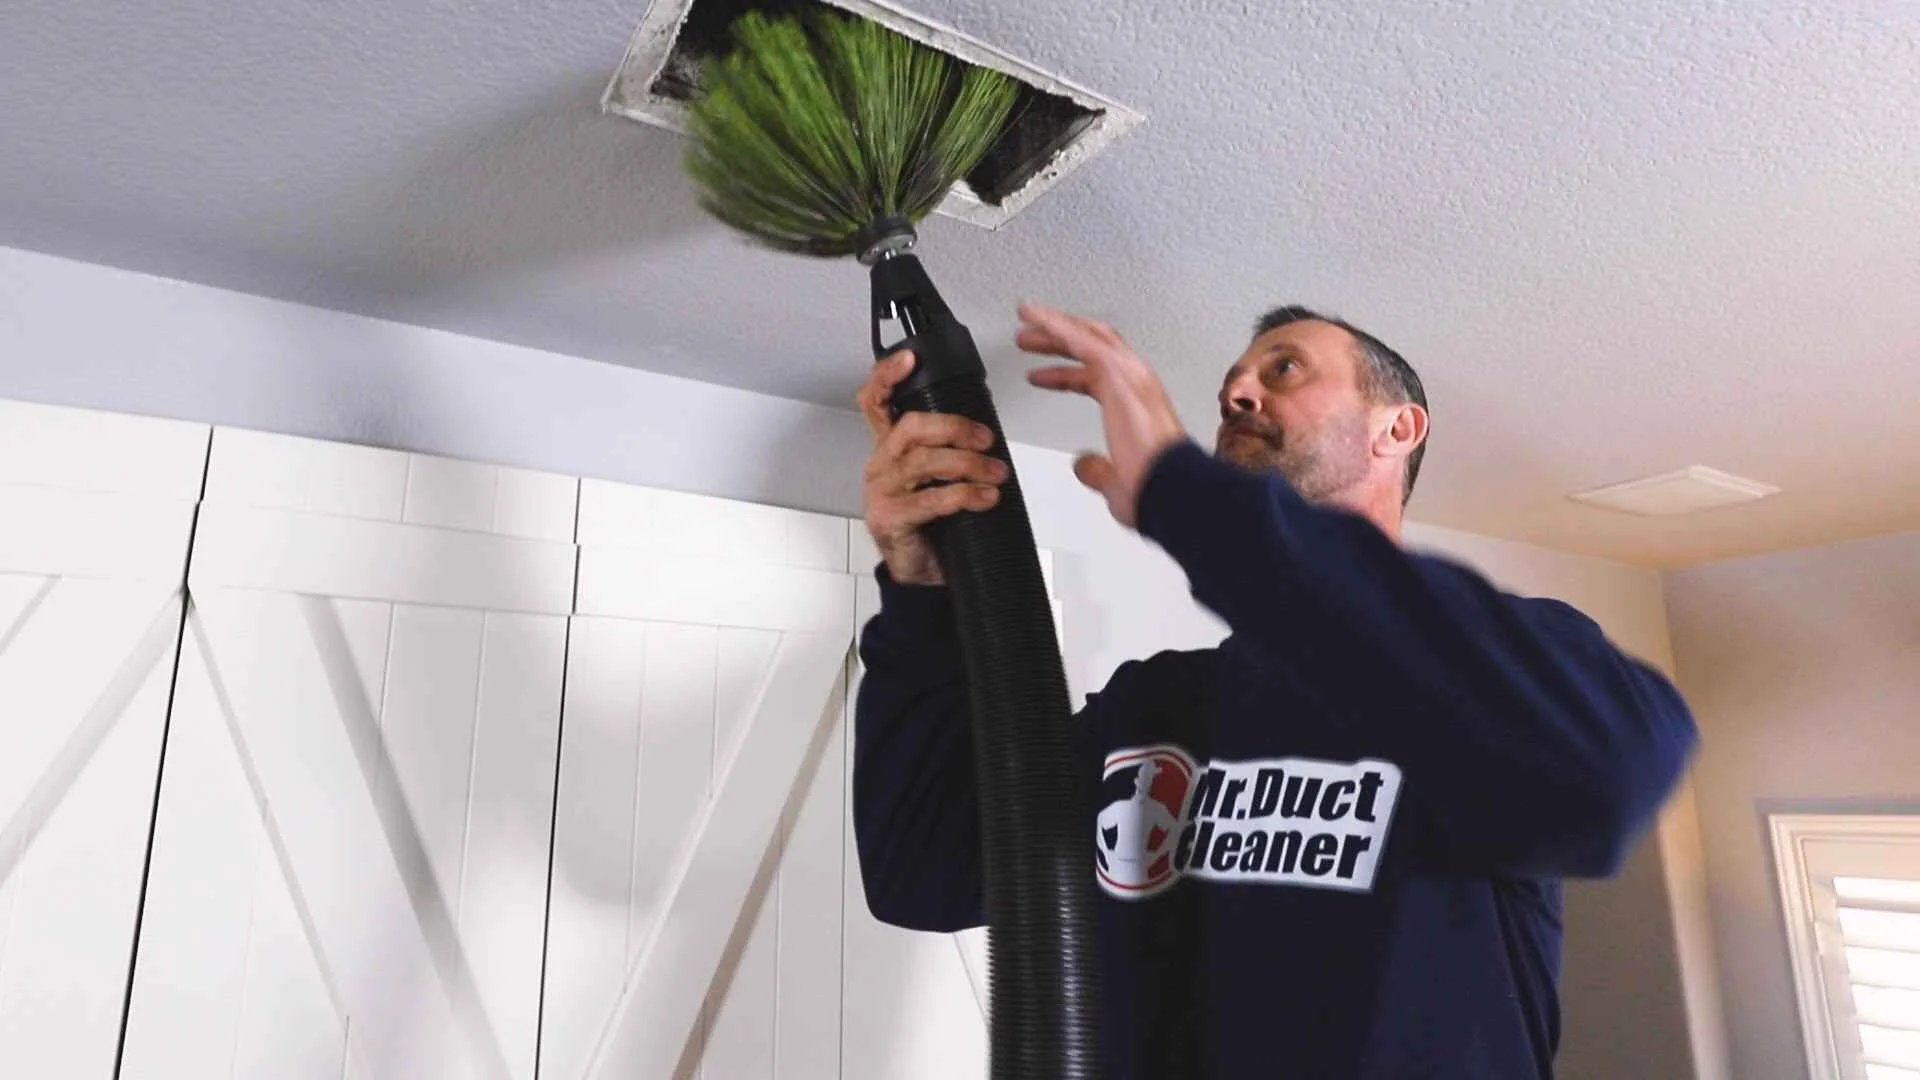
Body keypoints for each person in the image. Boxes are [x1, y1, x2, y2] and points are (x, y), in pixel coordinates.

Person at [850, 302, 1699, 1079]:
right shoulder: (1151, 712)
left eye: (1283, 369)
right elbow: (927, 872)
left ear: (1398, 428)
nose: (1239, 395)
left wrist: (1186, 496)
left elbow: (1613, 767)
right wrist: (921, 589)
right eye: (1231, 387)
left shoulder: (1494, 681)